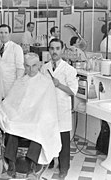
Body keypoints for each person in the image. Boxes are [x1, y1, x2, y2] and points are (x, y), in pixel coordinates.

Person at [0, 53, 61, 178]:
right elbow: (10, 101)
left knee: (37, 128)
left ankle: (32, 168)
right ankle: (11, 165)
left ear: (39, 65)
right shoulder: (20, 81)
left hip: (38, 118)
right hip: (21, 117)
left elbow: (49, 107)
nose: (31, 69)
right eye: (27, 66)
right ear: (24, 66)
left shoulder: (46, 83)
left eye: (34, 66)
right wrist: (1, 111)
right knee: (11, 126)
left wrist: (38, 117)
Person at [41, 39, 78, 179]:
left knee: (63, 140)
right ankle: (49, 161)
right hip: (48, 108)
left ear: (62, 50)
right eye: (52, 48)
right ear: (49, 50)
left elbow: (72, 91)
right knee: (49, 136)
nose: (54, 51)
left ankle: (64, 168)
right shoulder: (44, 68)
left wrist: (59, 84)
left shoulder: (69, 70)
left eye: (57, 48)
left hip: (62, 108)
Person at [0, 24, 25, 97]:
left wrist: (17, 84)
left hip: (11, 83)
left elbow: (20, 68)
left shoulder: (16, 48)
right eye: (1, 33)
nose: (3, 35)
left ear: (9, 34)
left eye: (6, 32)